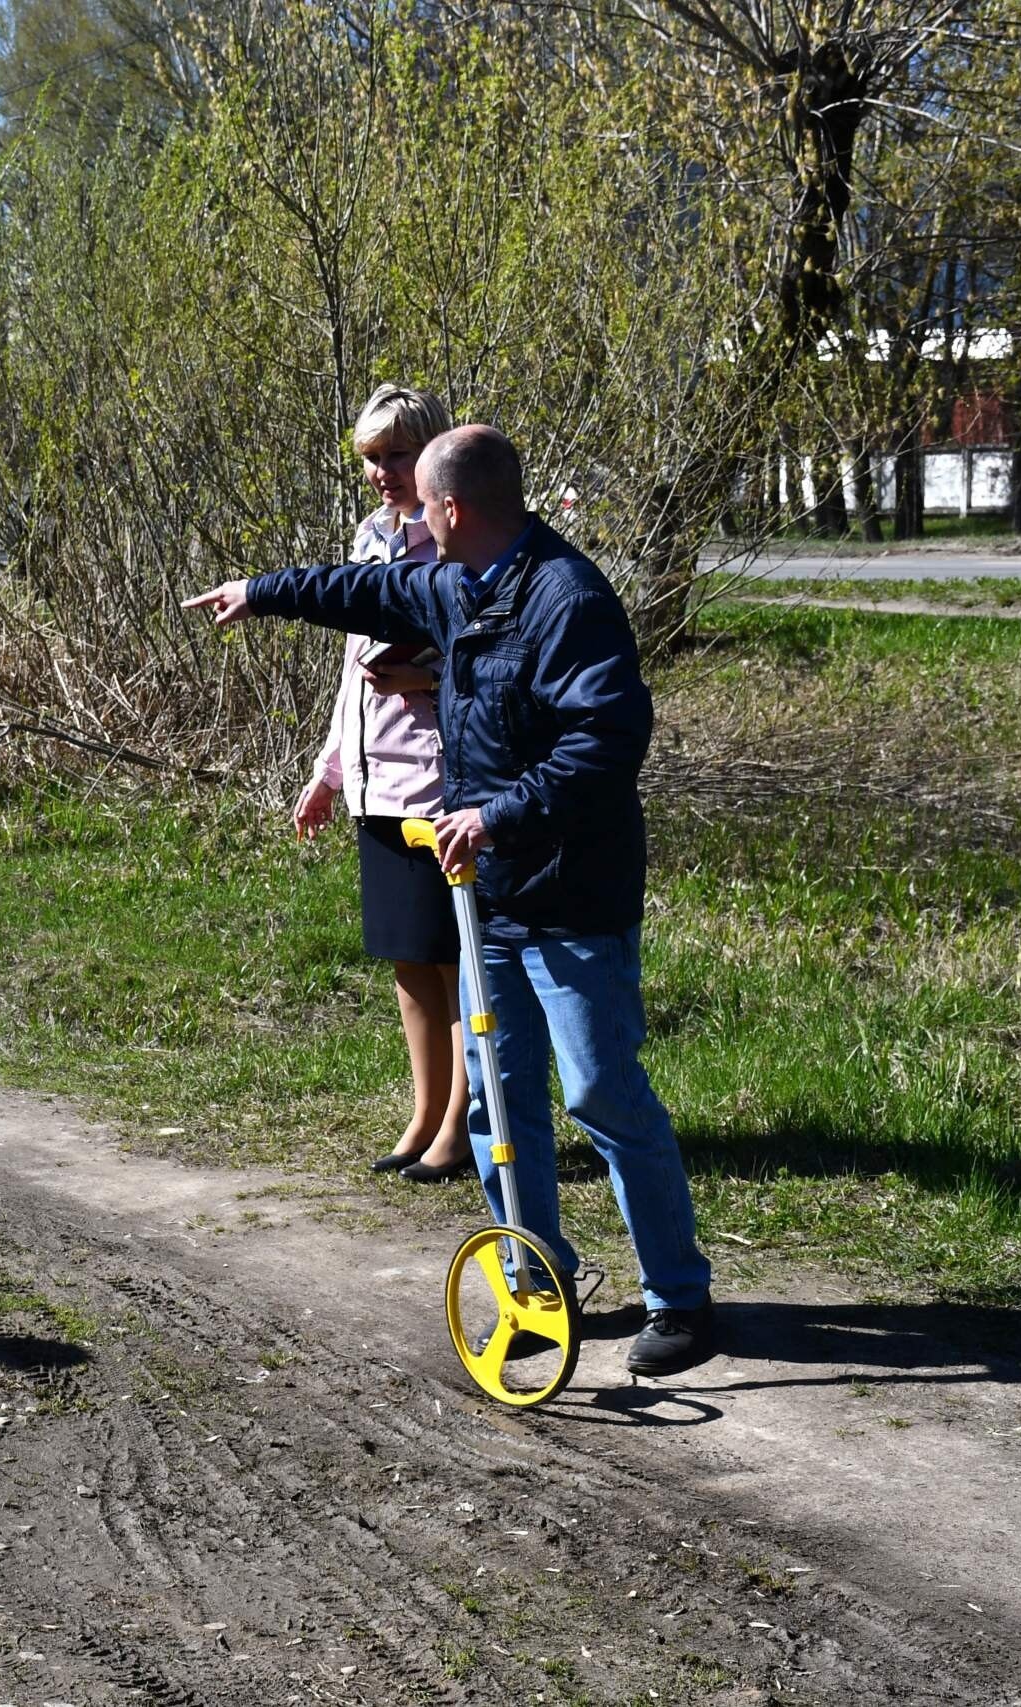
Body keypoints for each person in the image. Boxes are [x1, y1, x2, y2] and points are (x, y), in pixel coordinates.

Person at [185, 424, 717, 1376]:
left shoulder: (567, 598)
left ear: (454, 509)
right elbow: (357, 591)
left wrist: (499, 815)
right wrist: (259, 592)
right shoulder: (456, 585)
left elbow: (603, 746)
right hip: (493, 901)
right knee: (500, 1106)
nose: (411, 518)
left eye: (421, 503)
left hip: (573, 895)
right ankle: (536, 1283)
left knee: (600, 1091)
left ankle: (679, 1296)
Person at [295, 384, 472, 1184]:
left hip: (442, 783)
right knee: (408, 960)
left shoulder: (460, 538)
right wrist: (330, 774)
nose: (382, 473)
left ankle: (464, 1128)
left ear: (431, 454)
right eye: (370, 458)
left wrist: (427, 673)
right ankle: (423, 1111)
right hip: (376, 785)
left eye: (396, 456)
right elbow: (349, 678)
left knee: (456, 963)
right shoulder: (370, 539)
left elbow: (489, 657)